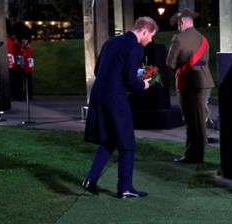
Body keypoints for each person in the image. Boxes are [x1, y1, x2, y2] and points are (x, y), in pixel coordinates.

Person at [82, 17, 158, 198]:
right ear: (144, 31)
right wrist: (144, 85)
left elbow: (97, 69)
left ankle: (90, 180)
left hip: (98, 95)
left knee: (109, 140)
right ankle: (125, 188)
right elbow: (130, 79)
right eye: (152, 36)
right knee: (128, 144)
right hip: (115, 98)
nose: (151, 40)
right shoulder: (136, 47)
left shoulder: (111, 42)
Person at [166, 9, 215, 163]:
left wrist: (182, 66)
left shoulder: (178, 39)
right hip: (205, 82)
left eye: (178, 25)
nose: (177, 28)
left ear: (181, 23)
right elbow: (203, 61)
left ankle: (191, 156)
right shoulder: (203, 38)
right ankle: (198, 155)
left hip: (188, 83)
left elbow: (170, 63)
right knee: (200, 121)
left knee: (191, 121)